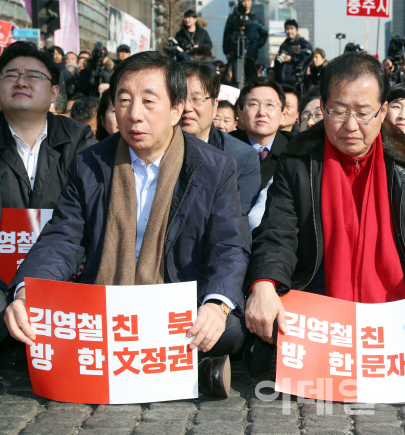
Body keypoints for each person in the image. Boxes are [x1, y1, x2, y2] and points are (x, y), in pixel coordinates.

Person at [3, 51, 251, 398]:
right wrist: (30, 290)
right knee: (27, 318)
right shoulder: (91, 162)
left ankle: (131, 361)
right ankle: (185, 371)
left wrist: (215, 304)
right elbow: (63, 237)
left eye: (150, 102)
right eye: (124, 101)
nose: (135, 114)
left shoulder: (213, 167)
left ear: (177, 109)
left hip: (175, 305)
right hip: (105, 302)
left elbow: (229, 244)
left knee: (230, 328)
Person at [243, 52, 405, 394]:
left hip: (396, 312)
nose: (351, 125)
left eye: (363, 113)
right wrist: (263, 284)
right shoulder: (297, 162)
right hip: (318, 312)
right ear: (322, 105)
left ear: (382, 110)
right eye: (338, 111)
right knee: (263, 327)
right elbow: (277, 234)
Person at [0, 41, 97, 210]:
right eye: (10, 76)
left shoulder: (78, 139)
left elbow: (92, 206)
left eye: (33, 76)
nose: (21, 83)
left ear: (54, 93)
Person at [180, 61, 261, 214]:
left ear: (214, 106)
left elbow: (236, 221)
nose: (186, 107)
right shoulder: (152, 149)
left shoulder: (242, 157)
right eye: (180, 99)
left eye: (196, 99)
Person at [232, 77, 293, 188]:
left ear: (282, 115)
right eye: (253, 104)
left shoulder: (294, 151)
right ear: (240, 115)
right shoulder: (223, 150)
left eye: (270, 105)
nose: (261, 112)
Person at [223, 0, 268, 84]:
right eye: (243, 0)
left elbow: (264, 33)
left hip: (251, 53)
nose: (246, 3)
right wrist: (226, 51)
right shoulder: (233, 17)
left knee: (251, 79)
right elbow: (226, 34)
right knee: (236, 79)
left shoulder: (256, 18)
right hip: (235, 52)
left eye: (248, 0)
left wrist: (257, 44)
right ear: (240, 2)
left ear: (251, 1)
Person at [274, 19, 312, 89]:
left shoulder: (303, 43)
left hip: (297, 81)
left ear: (296, 30)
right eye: (287, 29)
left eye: (292, 29)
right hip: (282, 81)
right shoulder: (284, 44)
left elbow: (308, 57)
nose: (289, 31)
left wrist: (291, 59)